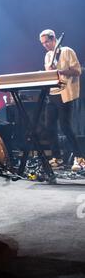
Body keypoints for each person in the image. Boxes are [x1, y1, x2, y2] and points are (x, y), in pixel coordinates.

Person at [39, 29, 85, 171]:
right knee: (49, 126)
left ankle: (80, 158)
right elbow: (50, 75)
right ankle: (57, 158)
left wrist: (60, 71)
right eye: (43, 43)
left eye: (47, 41)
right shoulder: (47, 56)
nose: (45, 45)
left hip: (66, 93)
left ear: (54, 39)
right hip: (52, 94)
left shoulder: (66, 51)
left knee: (65, 126)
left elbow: (77, 71)